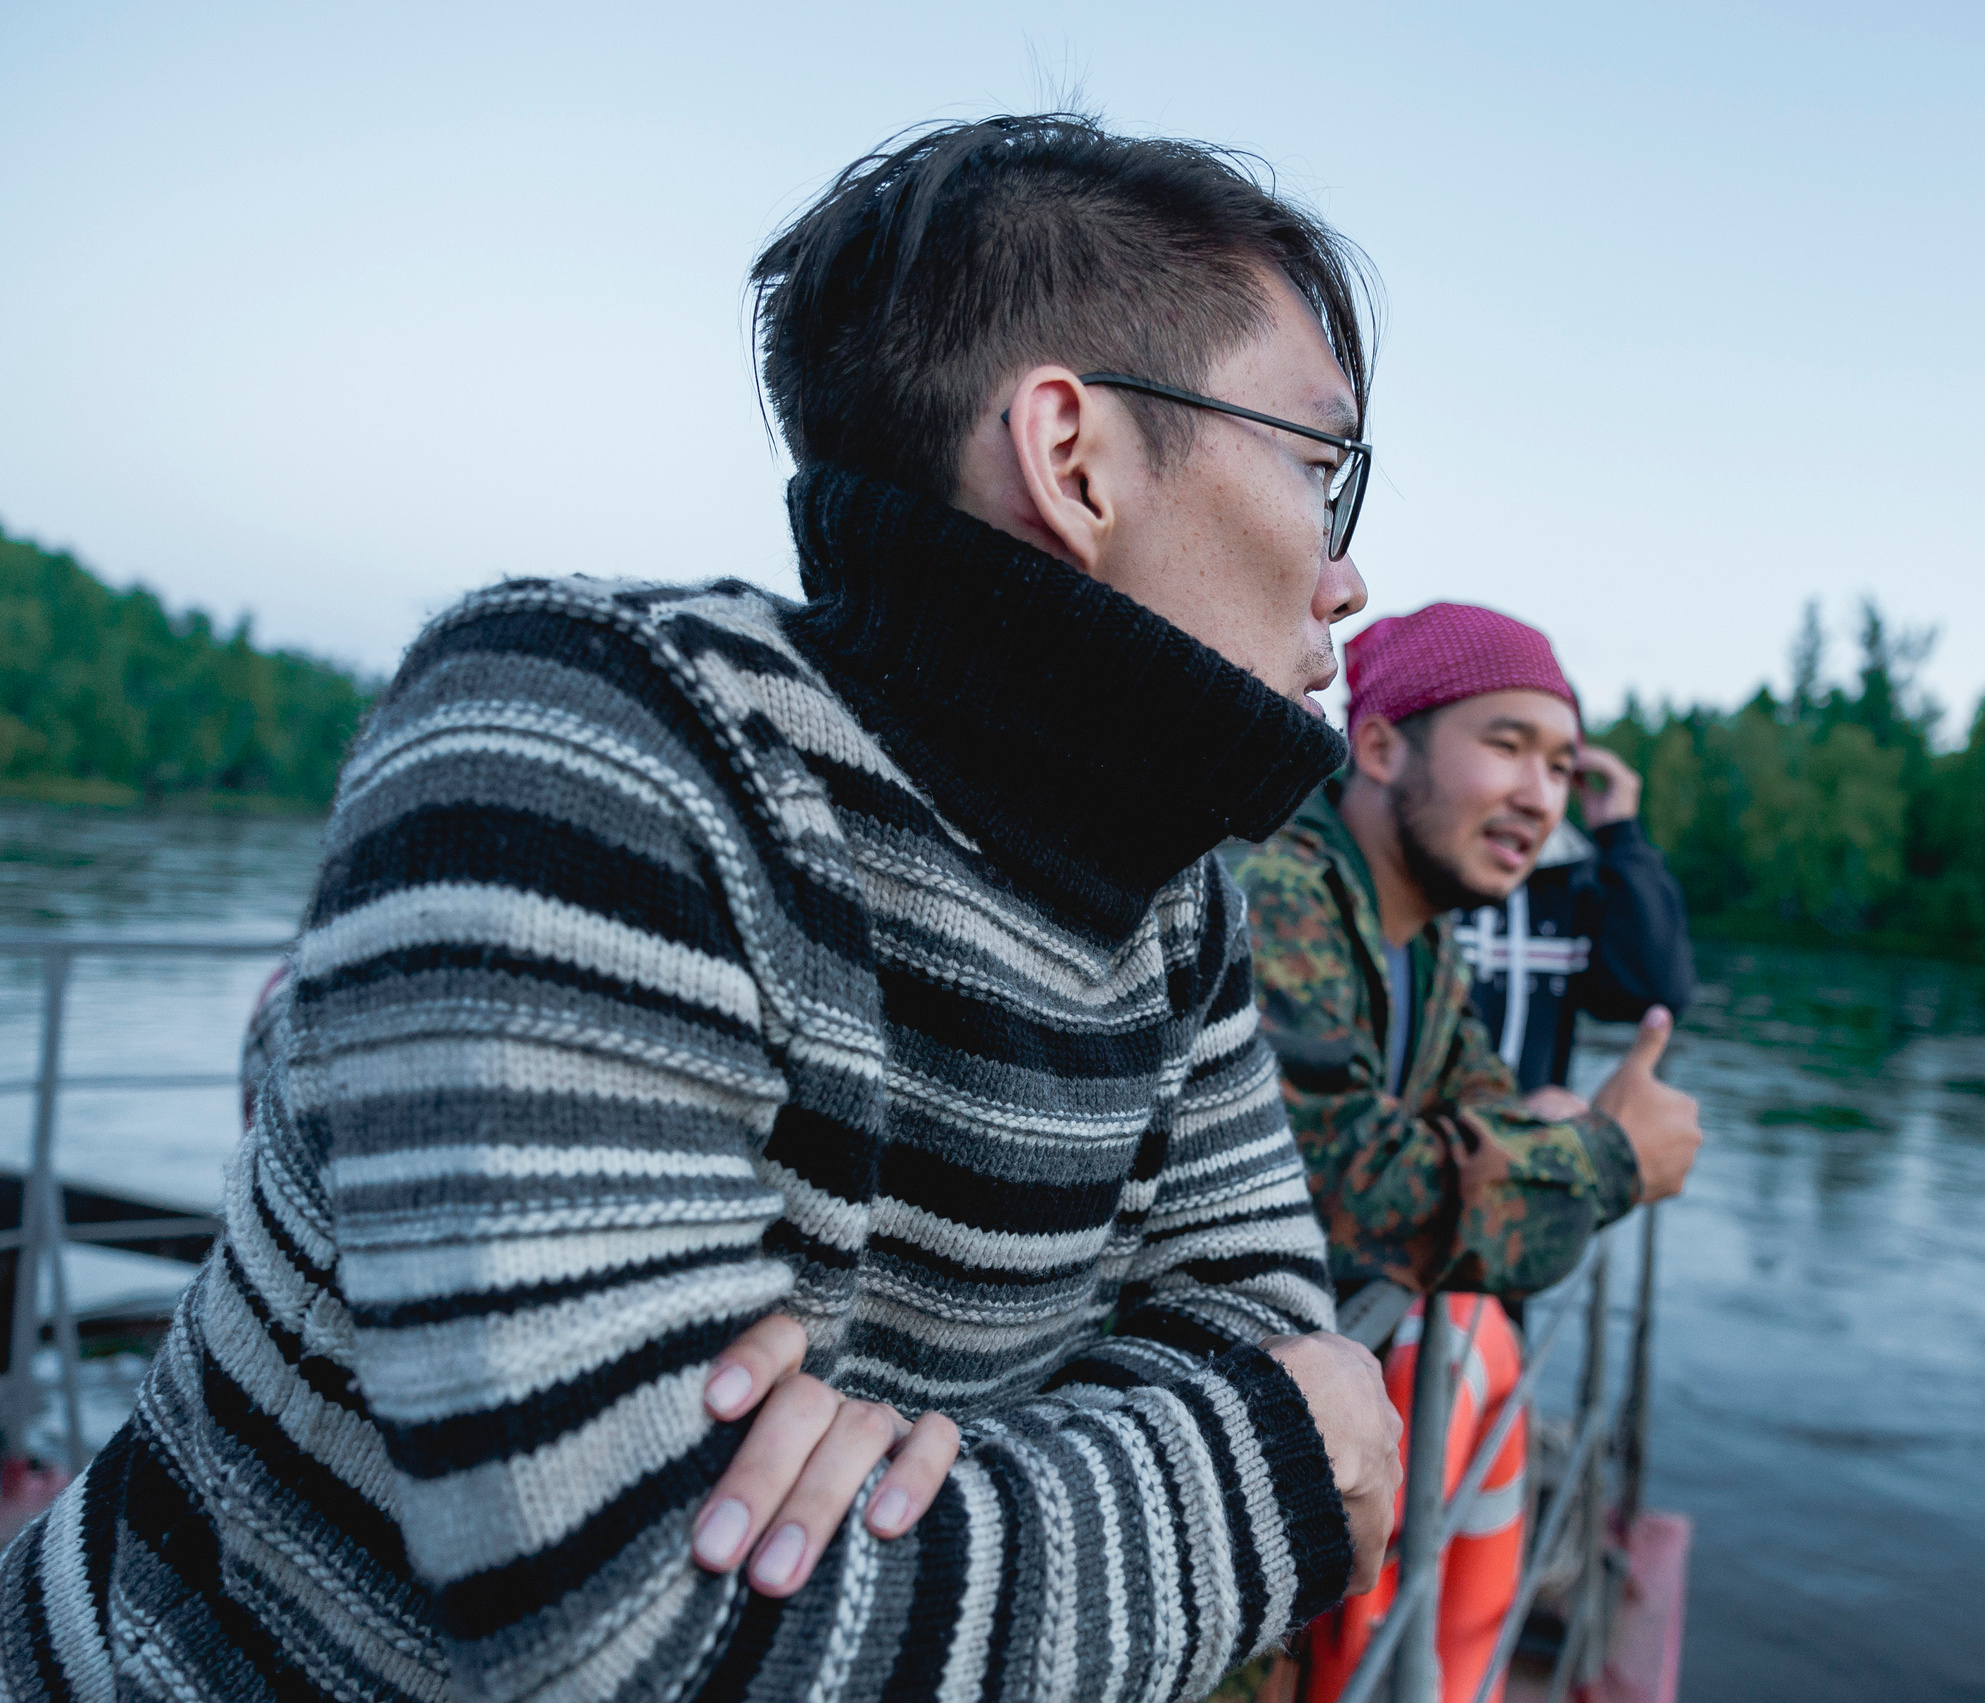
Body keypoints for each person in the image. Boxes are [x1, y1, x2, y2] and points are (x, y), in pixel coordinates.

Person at [0, 114, 1407, 1703]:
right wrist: (1261, 1472)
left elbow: (1252, 1322)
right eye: (1317, 462)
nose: (1347, 573)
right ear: (1073, 455)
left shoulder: (1174, 906)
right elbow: (634, 1639)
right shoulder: (587, 742)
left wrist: (912, 1479)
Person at [1232, 603, 1701, 1703]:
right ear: (1383, 744)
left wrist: (1555, 1141)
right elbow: (1343, 1184)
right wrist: (1606, 1156)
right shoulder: (1285, 895)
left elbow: (1479, 1113)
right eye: (1505, 743)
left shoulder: (1422, 945)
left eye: (1561, 763)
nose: (1542, 796)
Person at [1454, 739, 1693, 1099]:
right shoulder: (1427, 873)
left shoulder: (1577, 884)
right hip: (1419, 1146)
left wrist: (1621, 834)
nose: (1533, 792)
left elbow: (1656, 991)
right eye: (1507, 750)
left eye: (1558, 767)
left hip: (1535, 1147)